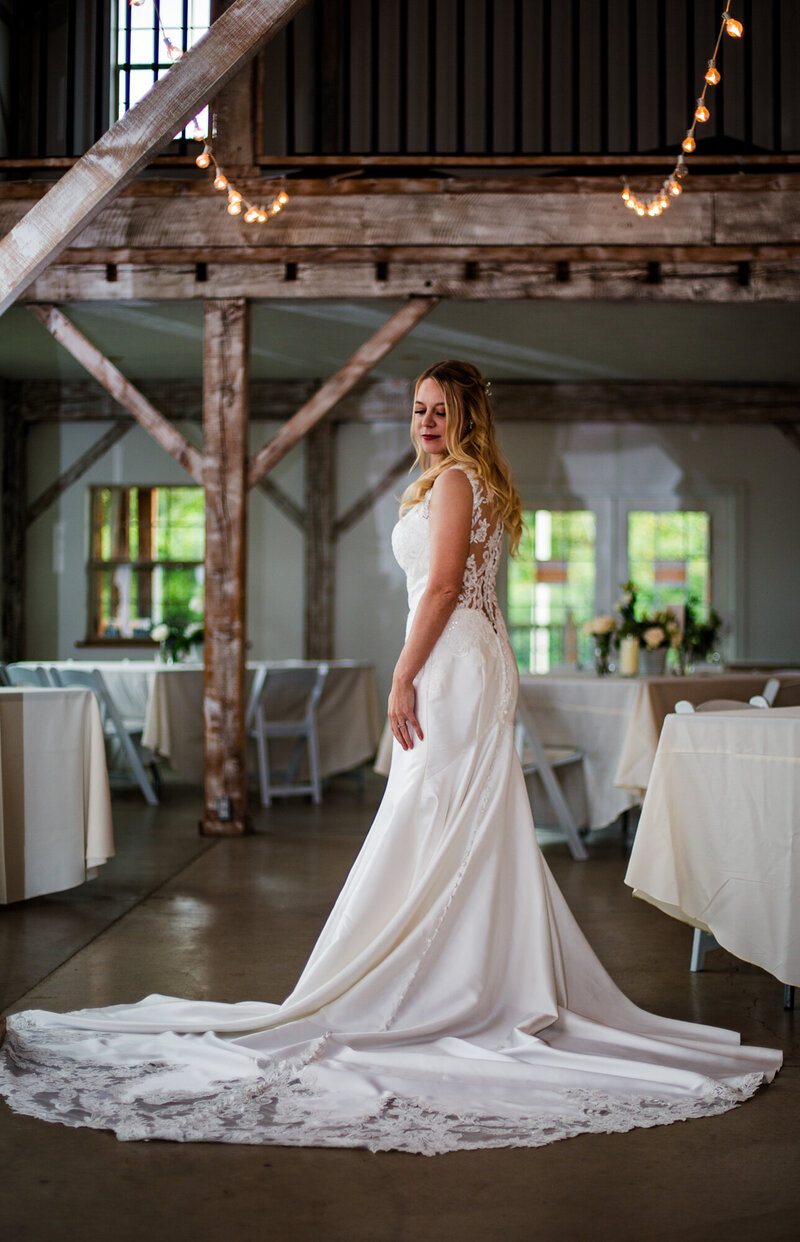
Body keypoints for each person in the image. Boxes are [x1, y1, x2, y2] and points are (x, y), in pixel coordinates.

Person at [0, 359, 781, 1155]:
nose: (427, 420)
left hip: (451, 662)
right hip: (462, 658)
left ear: (469, 415)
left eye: (442, 409)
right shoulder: (453, 481)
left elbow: (442, 588)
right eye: (419, 408)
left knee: (431, 813)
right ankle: (457, 972)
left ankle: (446, 981)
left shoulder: (455, 483)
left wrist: (403, 674)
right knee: (443, 820)